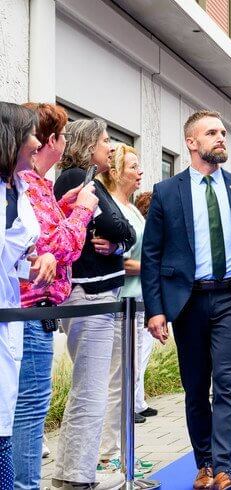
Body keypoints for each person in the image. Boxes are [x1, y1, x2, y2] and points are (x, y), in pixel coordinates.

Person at [142, 110, 231, 490]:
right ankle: (202, 464)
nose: (221, 138)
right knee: (196, 386)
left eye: (223, 132)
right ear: (191, 142)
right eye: (212, 132)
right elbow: (151, 254)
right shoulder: (167, 192)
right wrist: (156, 310)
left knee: (228, 383)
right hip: (188, 302)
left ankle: (223, 471)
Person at [12, 103, 98, 490]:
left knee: (25, 409)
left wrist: (65, 207)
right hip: (29, 312)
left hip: (32, 313)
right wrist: (80, 213)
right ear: (52, 141)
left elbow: (47, 241)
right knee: (28, 410)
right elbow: (53, 248)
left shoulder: (36, 185)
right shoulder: (24, 184)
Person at [52, 118, 135, 490]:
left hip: (101, 294)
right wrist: (117, 237)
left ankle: (75, 472)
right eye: (105, 140)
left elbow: (126, 233)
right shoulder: (74, 180)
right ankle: (75, 476)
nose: (111, 147)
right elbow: (117, 226)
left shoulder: (93, 183)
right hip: (89, 296)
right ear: (87, 145)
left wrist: (117, 244)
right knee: (91, 388)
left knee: (94, 386)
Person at [96, 144, 155, 479]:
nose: (140, 172)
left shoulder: (131, 208)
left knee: (128, 382)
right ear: (116, 172)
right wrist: (148, 267)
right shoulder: (112, 208)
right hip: (121, 304)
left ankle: (123, 451)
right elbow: (115, 259)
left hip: (137, 304)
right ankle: (108, 455)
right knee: (118, 383)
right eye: (134, 166)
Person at [0, 102, 43, 489]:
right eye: (29, 134)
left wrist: (34, 262)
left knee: (5, 426)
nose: (36, 142)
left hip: (9, 314)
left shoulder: (18, 189)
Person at [133, 191, 157, 419]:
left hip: (145, 295)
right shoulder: (143, 227)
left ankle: (139, 401)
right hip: (137, 294)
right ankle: (134, 402)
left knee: (144, 351)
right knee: (138, 353)